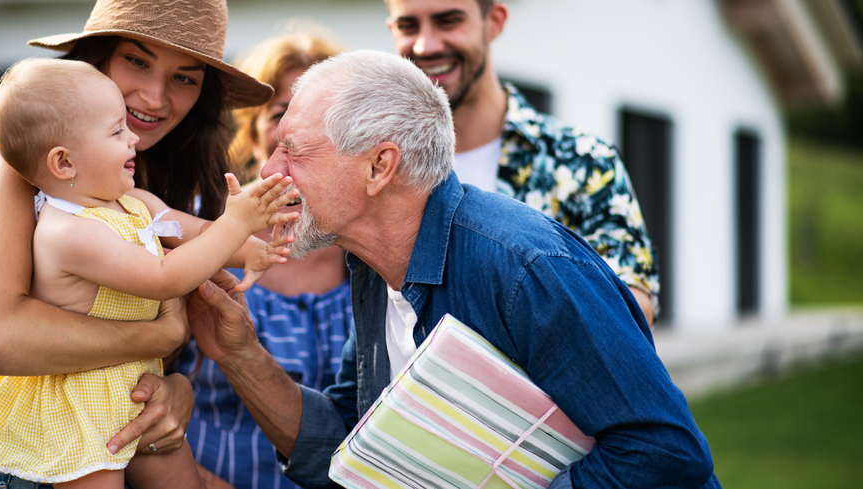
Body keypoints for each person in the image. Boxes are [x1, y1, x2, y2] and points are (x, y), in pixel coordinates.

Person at [187, 50, 721, 488]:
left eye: (294, 151)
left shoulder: (524, 269)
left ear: (379, 166)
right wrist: (239, 355)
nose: (270, 170)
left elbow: (664, 451)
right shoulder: (371, 267)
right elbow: (353, 442)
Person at [0, 0, 274, 488]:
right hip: (25, 458)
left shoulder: (142, 177)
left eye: (185, 78)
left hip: (114, 435)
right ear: (95, 57)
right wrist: (158, 337)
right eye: (136, 61)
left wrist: (176, 390)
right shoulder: (19, 164)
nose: (154, 97)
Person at [383, 0, 658, 325]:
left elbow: (631, 311)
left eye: (448, 21)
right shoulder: (377, 167)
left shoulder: (581, 162)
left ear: (494, 22)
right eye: (409, 26)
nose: (426, 45)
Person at [173, 30, 351, 489]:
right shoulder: (196, 234)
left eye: (323, 118)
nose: (299, 133)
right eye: (281, 115)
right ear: (253, 135)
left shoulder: (368, 257)